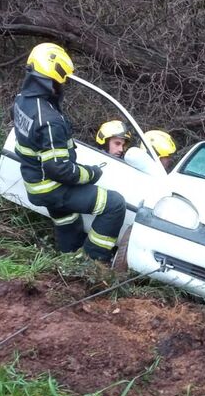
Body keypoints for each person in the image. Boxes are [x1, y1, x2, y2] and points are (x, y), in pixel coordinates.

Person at [12, 43, 126, 262]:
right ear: (52, 80)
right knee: (114, 204)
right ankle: (92, 263)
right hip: (53, 188)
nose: (62, 86)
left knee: (68, 219)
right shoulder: (49, 120)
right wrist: (91, 174)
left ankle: (68, 262)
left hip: (34, 183)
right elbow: (59, 169)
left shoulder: (21, 101)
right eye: (61, 81)